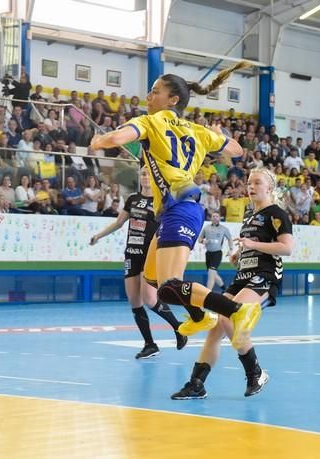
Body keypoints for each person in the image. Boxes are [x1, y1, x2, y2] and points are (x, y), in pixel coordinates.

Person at [90, 61, 262, 350]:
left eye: (155, 92)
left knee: (170, 285)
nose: (148, 96)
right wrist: (219, 134)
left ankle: (235, 310)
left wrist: (98, 140)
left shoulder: (149, 122)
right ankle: (197, 316)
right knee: (153, 280)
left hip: (180, 208)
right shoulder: (198, 130)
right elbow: (237, 150)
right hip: (180, 208)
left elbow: (116, 138)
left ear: (173, 99)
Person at [172, 168, 293, 399]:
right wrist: (239, 253)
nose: (251, 186)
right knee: (216, 327)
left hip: (264, 277)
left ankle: (255, 373)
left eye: (257, 182)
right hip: (242, 277)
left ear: (270, 188)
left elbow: (286, 247)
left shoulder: (277, 214)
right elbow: (251, 243)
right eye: (249, 182)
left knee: (230, 316)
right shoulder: (249, 215)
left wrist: (253, 246)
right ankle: (197, 383)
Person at [90, 168, 187, 359]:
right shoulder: (132, 199)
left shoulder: (162, 201)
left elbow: (172, 225)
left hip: (150, 254)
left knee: (149, 299)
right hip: (131, 253)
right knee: (134, 301)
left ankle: (179, 328)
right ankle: (150, 344)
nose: (145, 176)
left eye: (149, 173)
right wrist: (98, 236)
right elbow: (119, 223)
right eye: (143, 173)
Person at [199, 212, 234, 291]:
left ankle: (207, 293)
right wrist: (203, 241)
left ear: (219, 218)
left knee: (211, 273)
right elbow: (199, 239)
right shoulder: (206, 228)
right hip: (208, 254)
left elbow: (230, 239)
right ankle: (225, 289)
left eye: (217, 216)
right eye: (213, 216)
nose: (215, 217)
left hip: (217, 253)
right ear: (211, 218)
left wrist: (231, 249)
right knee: (213, 274)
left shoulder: (223, 229)